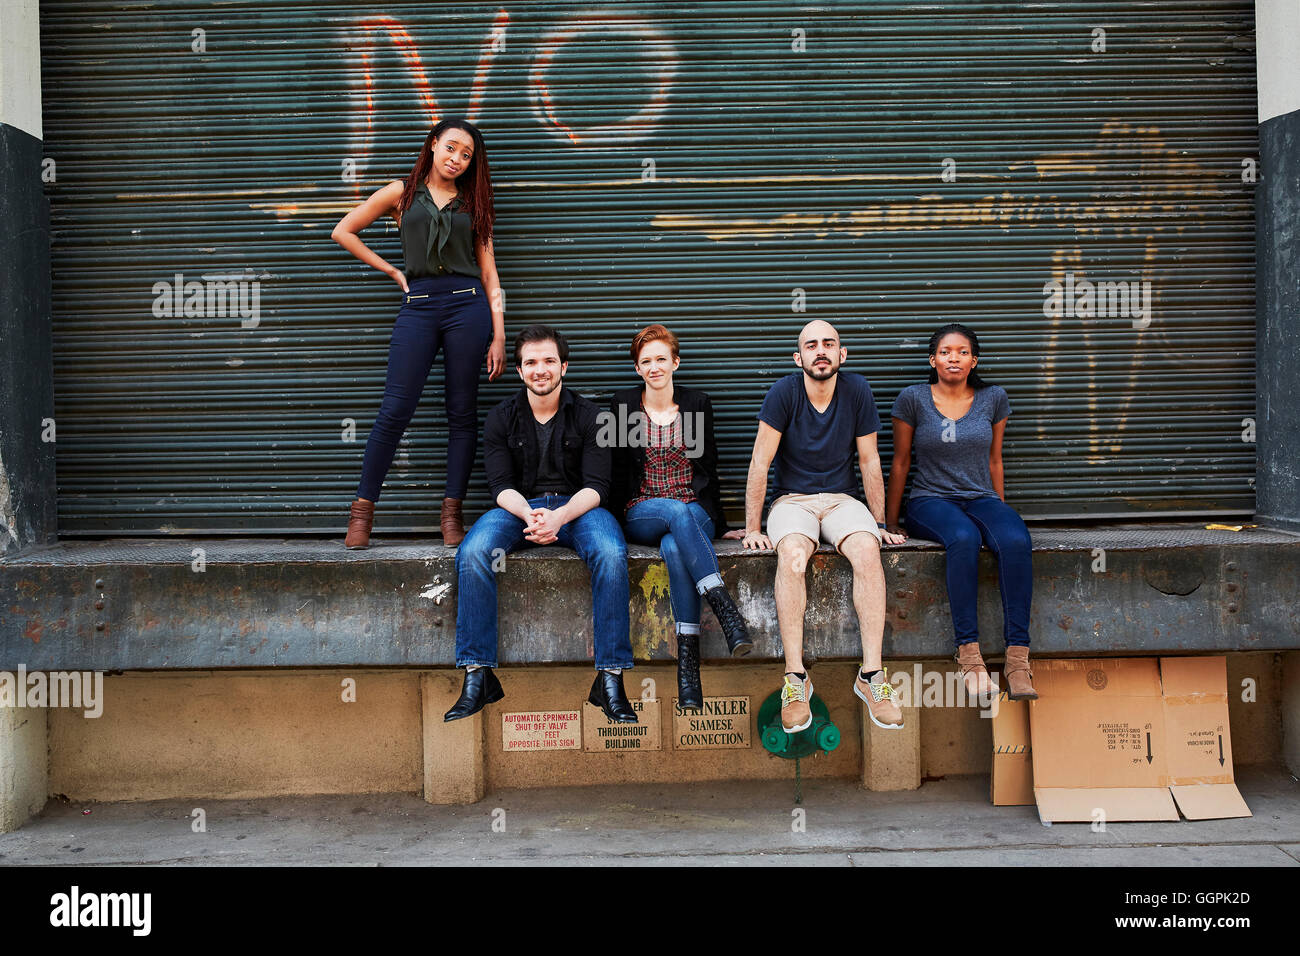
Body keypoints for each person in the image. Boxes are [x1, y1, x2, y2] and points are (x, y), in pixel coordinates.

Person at [444, 325, 637, 723]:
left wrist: (559, 517)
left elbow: (598, 487)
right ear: (519, 371)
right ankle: (478, 675)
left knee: (611, 552)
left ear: (563, 366)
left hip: (579, 510)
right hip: (520, 509)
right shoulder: (500, 417)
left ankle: (611, 679)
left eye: (549, 361)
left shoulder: (592, 416)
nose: (540, 369)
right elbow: (499, 486)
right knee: (475, 551)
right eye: (530, 362)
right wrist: (531, 516)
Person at [333, 118, 507, 549]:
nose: (457, 159)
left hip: (468, 306)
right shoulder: (401, 192)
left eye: (467, 155)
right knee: (395, 409)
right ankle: (361, 515)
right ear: (433, 145)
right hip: (419, 306)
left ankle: (451, 516)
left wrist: (500, 333)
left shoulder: (474, 203)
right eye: (451, 148)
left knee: (462, 413)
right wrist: (392, 270)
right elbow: (343, 231)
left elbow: (489, 272)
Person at [729, 320, 906, 732]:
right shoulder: (783, 393)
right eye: (811, 345)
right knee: (791, 554)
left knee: (866, 549)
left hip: (843, 500)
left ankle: (872, 676)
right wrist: (752, 526)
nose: (820, 350)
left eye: (829, 344)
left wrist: (878, 523)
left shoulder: (857, 390)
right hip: (793, 501)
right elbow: (760, 461)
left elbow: (869, 461)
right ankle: (795, 678)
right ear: (799, 357)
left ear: (842, 355)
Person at [885, 323, 1037, 700]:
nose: (954, 357)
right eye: (946, 351)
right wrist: (888, 522)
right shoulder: (913, 399)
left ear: (974, 361)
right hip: (929, 501)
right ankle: (969, 656)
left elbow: (995, 460)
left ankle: (1018, 660)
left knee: (1016, 539)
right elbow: (900, 463)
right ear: (933, 359)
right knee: (964, 538)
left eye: (963, 352)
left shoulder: (993, 399)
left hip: (980, 496)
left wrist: (1000, 513)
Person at [607, 325, 752, 710]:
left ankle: (689, 670)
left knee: (675, 543)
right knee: (672, 512)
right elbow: (616, 473)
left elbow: (710, 468)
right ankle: (721, 602)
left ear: (675, 362)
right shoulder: (622, 406)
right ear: (638, 369)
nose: (654, 367)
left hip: (693, 512)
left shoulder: (696, 404)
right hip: (643, 510)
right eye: (646, 361)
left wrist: (720, 527)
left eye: (660, 359)